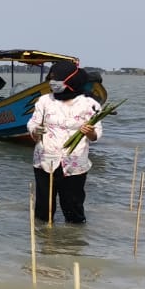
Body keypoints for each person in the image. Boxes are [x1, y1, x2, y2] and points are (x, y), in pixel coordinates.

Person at [27, 60, 101, 223]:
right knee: (43, 210)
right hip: (45, 160)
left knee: (73, 208)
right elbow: (33, 123)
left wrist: (90, 132)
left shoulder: (89, 104)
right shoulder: (44, 101)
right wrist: (35, 130)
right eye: (51, 78)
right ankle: (43, 237)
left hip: (74, 163)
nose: (53, 82)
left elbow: (96, 135)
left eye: (57, 78)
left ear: (70, 79)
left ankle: (73, 238)